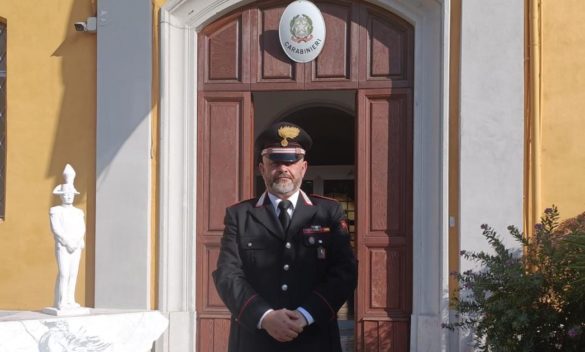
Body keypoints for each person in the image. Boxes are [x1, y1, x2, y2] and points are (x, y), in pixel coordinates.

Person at [213, 122, 357, 351]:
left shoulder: (328, 213)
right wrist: (265, 316)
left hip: (315, 338)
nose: (283, 168)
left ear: (304, 167)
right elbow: (227, 274)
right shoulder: (239, 216)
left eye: (291, 161)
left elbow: (345, 271)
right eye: (275, 161)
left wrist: (305, 315)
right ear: (262, 168)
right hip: (255, 339)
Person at [49, 164, 86, 310]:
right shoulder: (55, 211)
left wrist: (76, 241)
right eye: (66, 195)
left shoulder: (78, 212)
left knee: (73, 273)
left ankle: (71, 299)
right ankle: (61, 300)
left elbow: (82, 228)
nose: (69, 197)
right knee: (64, 273)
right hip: (63, 245)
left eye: (71, 195)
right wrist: (66, 241)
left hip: (76, 245)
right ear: (61, 196)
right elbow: (56, 228)